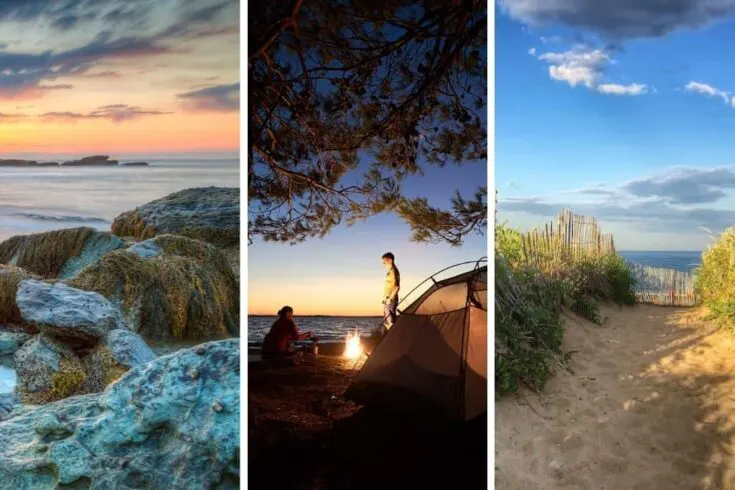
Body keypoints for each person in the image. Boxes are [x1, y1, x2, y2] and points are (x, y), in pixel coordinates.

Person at [380, 252, 400, 333]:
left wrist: (389, 299)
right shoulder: (391, 271)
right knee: (387, 323)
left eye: (385, 261)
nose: (383, 264)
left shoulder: (393, 272)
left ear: (390, 260)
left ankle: (394, 340)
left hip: (390, 300)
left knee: (391, 323)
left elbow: (397, 287)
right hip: (387, 299)